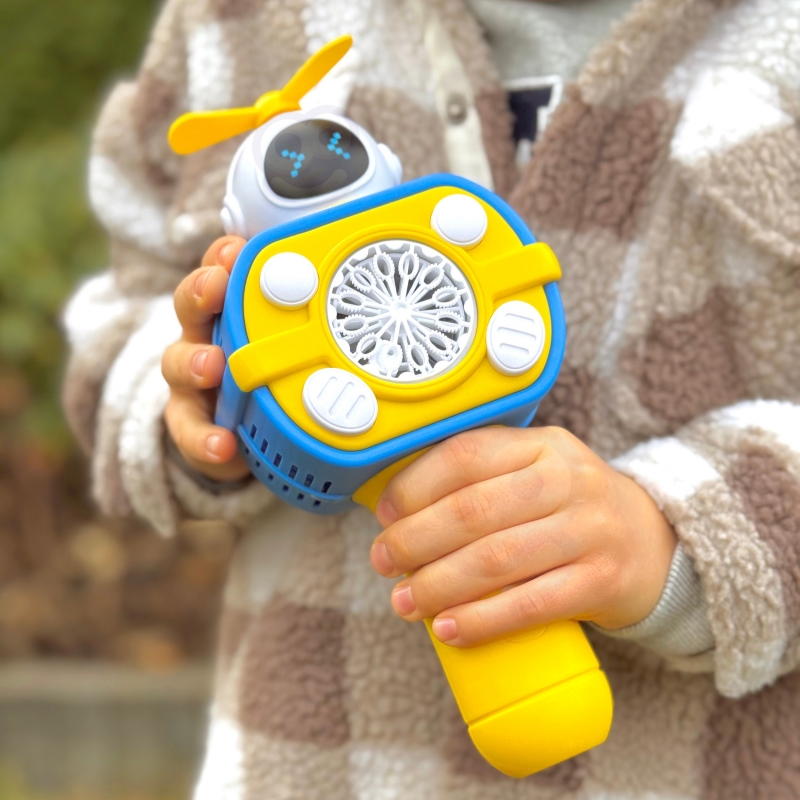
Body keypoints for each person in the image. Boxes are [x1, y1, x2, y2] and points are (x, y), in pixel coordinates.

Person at [62, 0, 800, 797]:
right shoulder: (238, 20)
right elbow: (122, 312)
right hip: (315, 767)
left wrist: (689, 542)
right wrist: (208, 403)